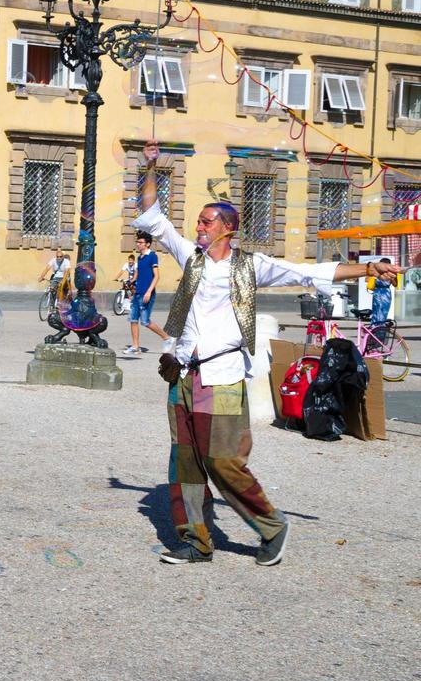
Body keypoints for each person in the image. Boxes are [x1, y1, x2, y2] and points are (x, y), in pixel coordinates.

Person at [136, 142, 396, 567]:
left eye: (206, 222)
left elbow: (310, 271)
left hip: (221, 376)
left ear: (227, 229)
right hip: (183, 374)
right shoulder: (191, 257)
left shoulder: (249, 265)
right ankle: (195, 542)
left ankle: (271, 525)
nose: (198, 227)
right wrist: (149, 165)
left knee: (222, 460)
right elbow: (153, 216)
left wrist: (368, 269)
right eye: (198, 221)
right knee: (184, 462)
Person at [124, 231, 171, 356]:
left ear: (148, 244)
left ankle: (167, 338)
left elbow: (157, 276)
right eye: (137, 242)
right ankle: (135, 346)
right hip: (138, 292)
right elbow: (138, 274)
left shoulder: (152, 256)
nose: (138, 244)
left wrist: (149, 292)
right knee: (133, 319)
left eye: (140, 242)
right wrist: (131, 281)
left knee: (145, 321)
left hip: (147, 293)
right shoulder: (139, 257)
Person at [368, 259, 394, 327]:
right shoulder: (376, 272)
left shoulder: (390, 273)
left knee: (383, 312)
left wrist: (393, 277)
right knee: (376, 311)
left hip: (384, 293)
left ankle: (379, 331)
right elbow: (367, 279)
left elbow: (395, 284)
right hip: (380, 292)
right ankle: (375, 331)